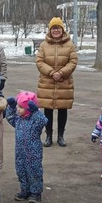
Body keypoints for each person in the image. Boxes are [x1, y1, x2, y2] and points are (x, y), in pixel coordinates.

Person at [36, 17, 78, 148]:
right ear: (50, 30)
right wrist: (51, 73)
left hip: (64, 82)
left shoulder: (70, 45)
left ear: (62, 29)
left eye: (58, 28)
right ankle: (48, 136)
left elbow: (73, 61)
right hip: (47, 82)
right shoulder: (44, 45)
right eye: (53, 28)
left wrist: (61, 73)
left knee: (62, 109)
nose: (56, 30)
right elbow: (39, 61)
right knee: (47, 110)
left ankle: (61, 136)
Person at [5, 91, 47, 203]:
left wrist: (36, 111)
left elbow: (43, 121)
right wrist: (11, 107)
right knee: (21, 170)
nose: (18, 109)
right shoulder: (18, 119)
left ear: (29, 109)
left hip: (33, 152)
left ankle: (35, 192)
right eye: (18, 106)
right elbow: (9, 117)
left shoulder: (34, 120)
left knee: (34, 171)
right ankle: (25, 190)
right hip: (20, 151)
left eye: (21, 107)